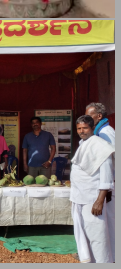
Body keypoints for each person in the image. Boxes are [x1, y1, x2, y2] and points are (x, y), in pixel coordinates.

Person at [70, 115, 114, 263]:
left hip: (92, 199)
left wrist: (99, 200)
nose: (82, 131)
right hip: (79, 197)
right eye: (79, 128)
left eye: (85, 128)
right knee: (83, 234)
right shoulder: (83, 143)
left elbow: (106, 175)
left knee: (97, 236)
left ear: (92, 128)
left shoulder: (101, 145)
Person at [86, 102, 115, 259]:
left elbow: (110, 159)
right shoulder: (98, 131)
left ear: (99, 116)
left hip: (110, 184)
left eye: (90, 115)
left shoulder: (105, 132)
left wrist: (107, 188)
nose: (87, 119)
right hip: (106, 183)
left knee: (110, 222)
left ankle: (112, 258)